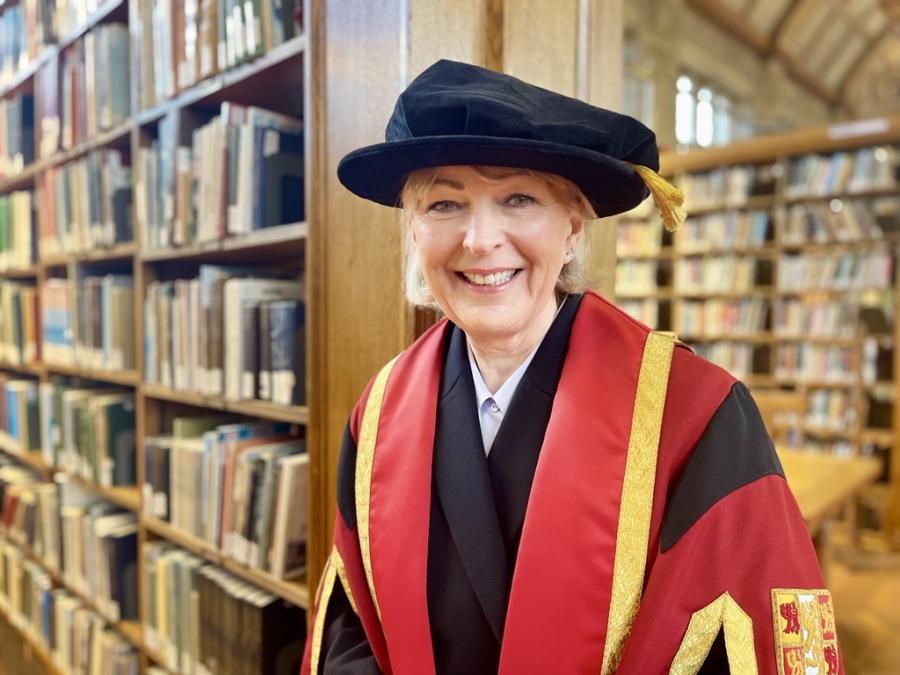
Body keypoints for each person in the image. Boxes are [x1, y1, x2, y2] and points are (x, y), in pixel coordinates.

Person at [301, 60, 841, 675]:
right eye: (444, 204)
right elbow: (354, 625)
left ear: (574, 229)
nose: (480, 239)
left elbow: (746, 645)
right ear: (414, 231)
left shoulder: (696, 415)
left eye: (519, 199)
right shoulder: (378, 414)